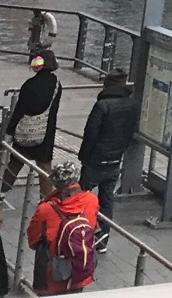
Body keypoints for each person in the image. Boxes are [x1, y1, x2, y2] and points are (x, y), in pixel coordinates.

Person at [74, 70, 134, 248]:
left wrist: (84, 156)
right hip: (115, 159)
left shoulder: (102, 106)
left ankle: (78, 233)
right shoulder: (132, 104)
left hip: (96, 160)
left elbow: (90, 133)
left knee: (80, 196)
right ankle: (102, 239)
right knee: (107, 199)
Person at [23, 171, 96, 294]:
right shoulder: (91, 200)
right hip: (80, 269)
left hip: (52, 273)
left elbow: (33, 239)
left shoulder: (46, 209)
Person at [0, 54, 61, 189]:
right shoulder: (56, 84)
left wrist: (9, 131)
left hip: (25, 130)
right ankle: (46, 200)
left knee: (15, 162)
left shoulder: (30, 84)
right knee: (44, 168)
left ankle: (1, 192)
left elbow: (19, 110)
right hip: (46, 131)